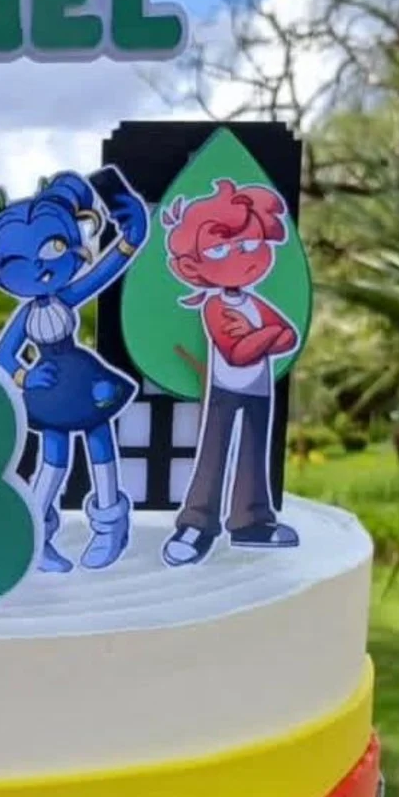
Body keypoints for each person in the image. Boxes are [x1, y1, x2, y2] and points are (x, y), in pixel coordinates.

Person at [0, 168, 149, 572]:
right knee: (54, 455)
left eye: (55, 248)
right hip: (48, 391)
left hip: (86, 381)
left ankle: (110, 526)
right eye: (19, 262)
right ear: (0, 272)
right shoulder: (25, 317)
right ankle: (34, 536)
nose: (41, 269)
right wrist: (25, 377)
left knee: (100, 441)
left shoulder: (68, 294)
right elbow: (3, 358)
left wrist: (132, 235)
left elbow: (104, 271)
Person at [159, 178, 301, 568]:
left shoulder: (254, 303)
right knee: (214, 453)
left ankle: (251, 521)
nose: (241, 257)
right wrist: (266, 336)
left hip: (259, 389)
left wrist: (260, 335)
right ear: (193, 265)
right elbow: (237, 353)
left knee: (255, 454)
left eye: (252, 245)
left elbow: (289, 337)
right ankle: (197, 525)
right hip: (225, 388)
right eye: (220, 249)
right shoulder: (214, 306)